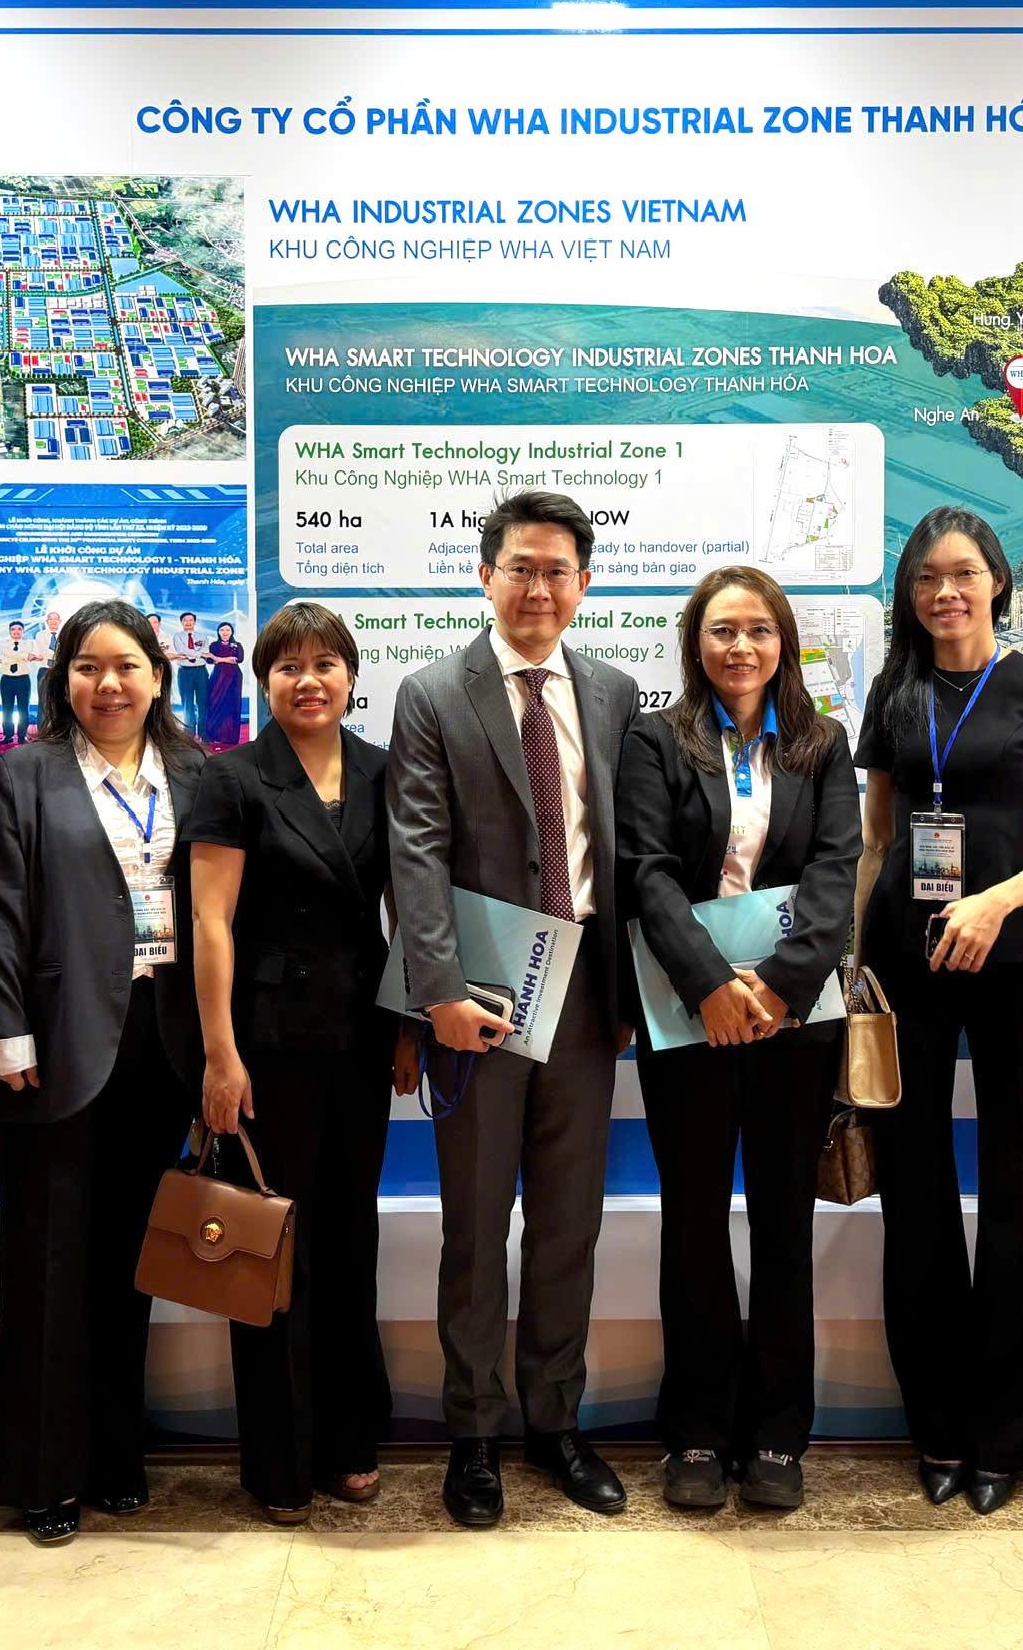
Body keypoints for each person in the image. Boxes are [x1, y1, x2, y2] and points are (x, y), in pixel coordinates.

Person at [387, 489, 638, 1526]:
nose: (539, 588)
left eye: (557, 571)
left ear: (584, 584)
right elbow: (416, 853)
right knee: (476, 1226)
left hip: (586, 1000)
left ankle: (555, 1423)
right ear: (485, 575)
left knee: (569, 1227)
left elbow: (626, 850)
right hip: (479, 1005)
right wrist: (438, 993)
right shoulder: (431, 693)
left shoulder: (614, 692)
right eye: (520, 568)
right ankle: (474, 1435)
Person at [853, 509, 1023, 1514]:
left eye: (962, 573)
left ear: (997, 579)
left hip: (1017, 951)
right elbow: (877, 838)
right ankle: (939, 1427)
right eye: (926, 577)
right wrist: (851, 966)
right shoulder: (893, 692)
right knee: (912, 1184)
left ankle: (1005, 1433)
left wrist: (995, 902)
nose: (944, 592)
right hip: (905, 957)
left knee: (1018, 1182)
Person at [618, 565, 860, 1512]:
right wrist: (712, 986)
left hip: (791, 1024)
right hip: (688, 1018)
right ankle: (696, 1431)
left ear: (783, 641)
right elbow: (646, 871)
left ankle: (777, 1434)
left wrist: (778, 986)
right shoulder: (656, 739)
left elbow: (838, 870)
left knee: (783, 1225)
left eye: (758, 629)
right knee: (693, 1223)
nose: (741, 647)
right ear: (695, 643)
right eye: (722, 630)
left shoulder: (821, 744)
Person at [0, 601, 206, 1542]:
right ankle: (43, 1473)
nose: (109, 685)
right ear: (61, 679)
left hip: (164, 1039)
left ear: (158, 676)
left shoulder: (197, 772)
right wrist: (3, 1034)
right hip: (55, 1044)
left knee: (131, 1260)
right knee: (49, 1260)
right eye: (87, 667)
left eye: (127, 666)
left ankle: (115, 1453)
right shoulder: (23, 773)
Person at [184, 601, 395, 1523]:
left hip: (362, 1036)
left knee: (351, 1238)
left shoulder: (386, 771)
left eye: (325, 664)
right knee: (271, 1249)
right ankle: (279, 1459)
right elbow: (211, 921)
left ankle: (349, 1439)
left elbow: (410, 906)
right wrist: (219, 1054)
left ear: (351, 676)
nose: (309, 681)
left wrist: (412, 1024)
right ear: (264, 681)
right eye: (288, 666)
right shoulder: (232, 776)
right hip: (266, 1044)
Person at [205, 620, 246, 750]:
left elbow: (239, 659)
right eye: (222, 630)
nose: (225, 632)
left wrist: (219, 659)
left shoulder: (237, 645)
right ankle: (213, 735)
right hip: (218, 677)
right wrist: (225, 659)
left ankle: (230, 737)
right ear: (218, 632)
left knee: (232, 704)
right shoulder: (214, 645)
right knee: (215, 703)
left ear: (231, 632)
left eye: (227, 630)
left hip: (234, 678)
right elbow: (210, 659)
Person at [0, 620, 36, 744]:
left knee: (23, 708)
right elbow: (6, 654)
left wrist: (8, 659)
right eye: (13, 629)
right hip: (7, 679)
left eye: (19, 629)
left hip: (23, 679)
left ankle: (21, 735)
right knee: (6, 708)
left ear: (23, 631)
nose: (16, 632)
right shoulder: (3, 643)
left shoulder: (29, 643)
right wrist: (24, 656)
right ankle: (8, 735)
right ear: (9, 631)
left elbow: (9, 656)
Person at [174, 610, 211, 736]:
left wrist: (193, 654)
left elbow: (206, 651)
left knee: (203, 702)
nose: (188, 622)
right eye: (185, 620)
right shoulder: (177, 636)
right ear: (181, 622)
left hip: (201, 672)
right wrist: (199, 654)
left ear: (195, 622)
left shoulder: (203, 636)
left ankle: (203, 733)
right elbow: (181, 650)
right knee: (187, 704)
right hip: (185, 672)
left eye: (191, 620)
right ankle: (189, 734)